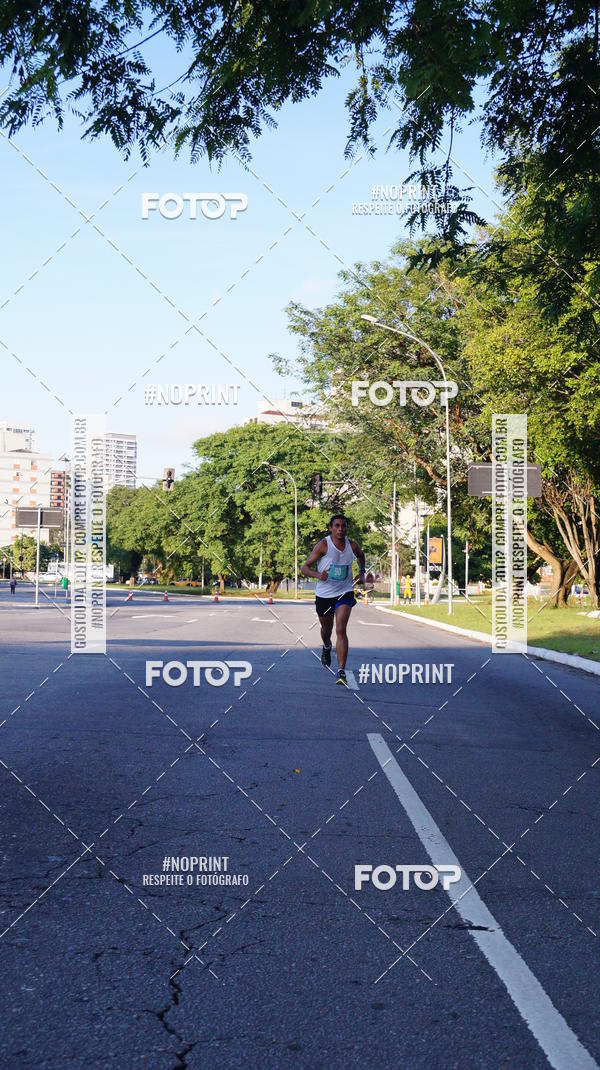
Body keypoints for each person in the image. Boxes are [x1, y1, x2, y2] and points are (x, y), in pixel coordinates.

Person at [301, 514, 366, 686]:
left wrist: (362, 571)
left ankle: (341, 671)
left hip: (344, 592)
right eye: (336, 526)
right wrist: (318, 575)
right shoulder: (323, 545)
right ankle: (326, 646)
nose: (340, 529)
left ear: (347, 528)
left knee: (341, 629)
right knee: (326, 629)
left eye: (343, 526)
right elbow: (304, 567)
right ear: (331, 528)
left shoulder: (352, 546)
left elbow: (361, 555)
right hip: (324, 594)